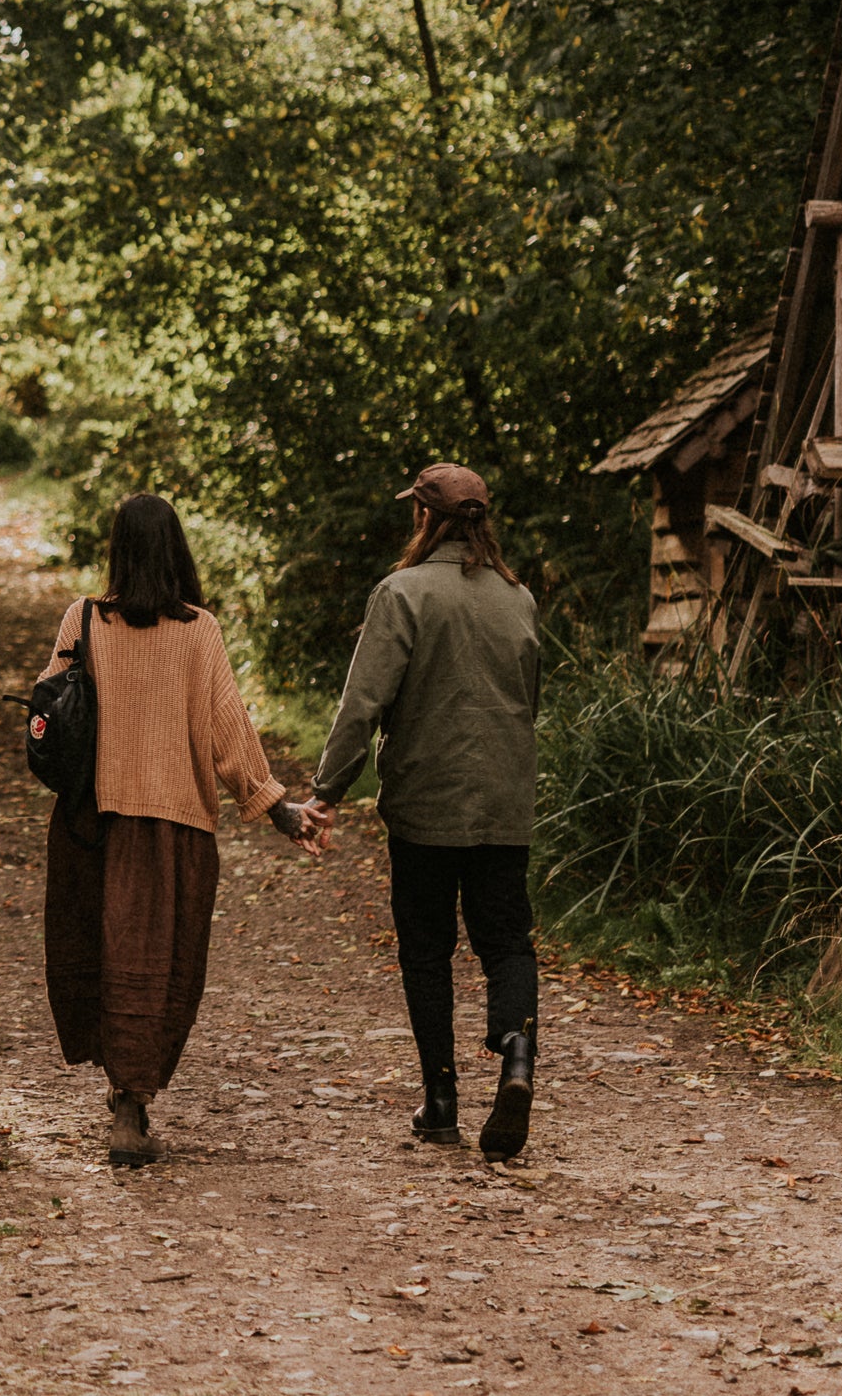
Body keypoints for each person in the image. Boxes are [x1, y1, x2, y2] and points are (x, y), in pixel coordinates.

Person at [40, 492, 328, 1169]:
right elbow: (229, 729)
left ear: (118, 549)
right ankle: (131, 1107)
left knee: (106, 956)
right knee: (156, 970)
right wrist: (278, 808)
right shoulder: (198, 628)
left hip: (91, 824)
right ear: (176, 550)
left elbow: (48, 711)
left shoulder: (83, 619)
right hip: (172, 828)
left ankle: (125, 1097)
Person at [306, 462, 543, 1160]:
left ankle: (441, 1103)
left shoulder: (401, 592)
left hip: (424, 807)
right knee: (507, 941)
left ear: (423, 518)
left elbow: (363, 703)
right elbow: (529, 700)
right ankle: (519, 1061)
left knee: (427, 950)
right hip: (503, 802)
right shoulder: (518, 597)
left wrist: (326, 791)